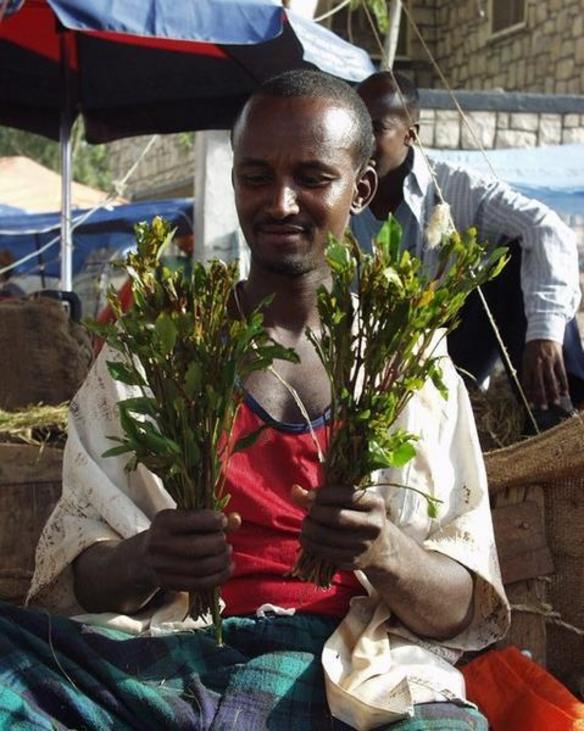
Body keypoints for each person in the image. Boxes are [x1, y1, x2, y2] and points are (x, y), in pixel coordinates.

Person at [0, 71, 508, 730]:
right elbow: (76, 576)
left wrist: (386, 550)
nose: (281, 202)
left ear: (360, 190)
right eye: (257, 176)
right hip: (164, 657)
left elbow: (464, 605)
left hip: (345, 672)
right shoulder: (155, 346)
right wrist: (146, 556)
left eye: (312, 178)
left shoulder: (408, 361)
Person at [351, 71, 584, 430]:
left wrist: (543, 333)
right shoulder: (335, 194)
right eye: (354, 129)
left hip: (447, 351)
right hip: (369, 358)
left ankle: (556, 420)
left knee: (515, 260)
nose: (360, 142)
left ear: (411, 134)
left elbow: (547, 229)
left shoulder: (456, 188)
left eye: (375, 129)